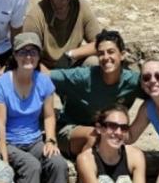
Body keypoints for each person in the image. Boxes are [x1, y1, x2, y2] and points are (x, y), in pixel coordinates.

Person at [0, 32, 70, 183]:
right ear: (15, 55)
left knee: (58, 163)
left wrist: (51, 140)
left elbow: (48, 116)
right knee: (30, 165)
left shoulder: (44, 82)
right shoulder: (2, 84)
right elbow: (0, 124)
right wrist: (4, 157)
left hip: (35, 138)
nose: (29, 56)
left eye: (33, 51)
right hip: (10, 142)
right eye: (23, 51)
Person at [49, 29, 141, 158]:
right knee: (98, 137)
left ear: (122, 55)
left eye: (111, 52)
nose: (106, 57)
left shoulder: (133, 81)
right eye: (101, 54)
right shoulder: (84, 77)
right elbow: (46, 77)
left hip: (105, 133)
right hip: (71, 130)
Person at [22, 0, 104, 70]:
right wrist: (50, 76)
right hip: (44, 67)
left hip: (72, 63)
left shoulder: (81, 8)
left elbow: (101, 42)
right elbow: (28, 54)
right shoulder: (36, 15)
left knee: (96, 62)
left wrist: (70, 54)